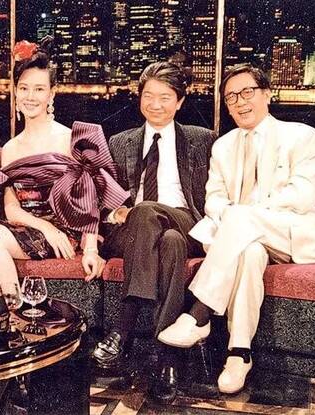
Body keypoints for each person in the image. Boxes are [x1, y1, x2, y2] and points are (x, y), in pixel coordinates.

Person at [158, 63, 315, 394]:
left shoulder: (301, 135)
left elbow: (303, 194)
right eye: (231, 97)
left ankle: (198, 314)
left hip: (290, 233)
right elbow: (214, 200)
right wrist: (237, 220)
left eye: (247, 92)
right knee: (250, 252)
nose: (239, 102)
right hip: (240, 239)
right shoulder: (223, 146)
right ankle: (239, 354)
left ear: (267, 94)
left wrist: (244, 216)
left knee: (241, 221)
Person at [0, 37, 128, 296]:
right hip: (31, 226)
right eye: (24, 88)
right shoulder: (11, 147)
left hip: (64, 230)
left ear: (52, 93)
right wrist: (44, 228)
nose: (30, 97)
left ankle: (11, 313)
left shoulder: (71, 138)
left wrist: (91, 249)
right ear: (16, 91)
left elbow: (90, 199)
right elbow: (12, 209)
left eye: (39, 89)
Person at [91, 61, 215, 402]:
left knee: (152, 214)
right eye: (148, 96)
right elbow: (100, 197)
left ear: (180, 101)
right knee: (168, 242)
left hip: (187, 221)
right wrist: (114, 212)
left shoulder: (202, 139)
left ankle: (123, 329)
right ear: (139, 98)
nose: (155, 104)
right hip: (132, 230)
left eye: (165, 97)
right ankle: (167, 356)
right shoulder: (119, 142)